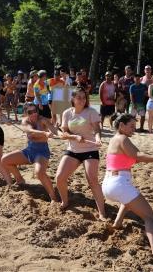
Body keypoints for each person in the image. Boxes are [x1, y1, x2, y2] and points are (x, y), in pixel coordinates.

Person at [103, 113, 153, 254]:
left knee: (129, 197)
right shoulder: (123, 138)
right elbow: (138, 156)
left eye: (134, 126)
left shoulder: (115, 139)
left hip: (108, 184)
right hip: (118, 184)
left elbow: (135, 157)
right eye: (131, 126)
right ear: (121, 125)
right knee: (150, 218)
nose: (133, 129)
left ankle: (117, 223)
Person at [55, 86, 106, 220]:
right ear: (72, 99)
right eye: (79, 98)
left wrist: (98, 139)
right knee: (59, 178)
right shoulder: (67, 113)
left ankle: (102, 212)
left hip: (90, 150)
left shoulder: (91, 111)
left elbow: (96, 129)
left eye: (84, 98)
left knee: (92, 180)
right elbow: (63, 132)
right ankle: (65, 202)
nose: (82, 100)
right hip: (73, 150)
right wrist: (74, 137)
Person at [1, 104, 58, 200]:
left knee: (39, 173)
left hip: (42, 151)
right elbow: (30, 130)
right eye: (30, 112)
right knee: (5, 160)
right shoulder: (25, 121)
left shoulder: (42, 119)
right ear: (25, 113)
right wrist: (44, 133)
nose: (33, 114)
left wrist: (57, 132)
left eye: (35, 111)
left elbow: (53, 129)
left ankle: (53, 198)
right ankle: (20, 180)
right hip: (30, 150)